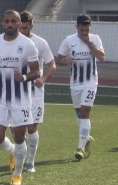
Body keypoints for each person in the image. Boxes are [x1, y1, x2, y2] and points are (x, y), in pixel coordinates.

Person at [0, 10, 40, 185]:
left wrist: (24, 77)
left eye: (13, 21)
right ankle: (13, 152)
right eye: (7, 21)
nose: (10, 24)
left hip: (20, 99)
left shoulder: (28, 45)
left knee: (20, 137)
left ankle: (17, 174)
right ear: (3, 23)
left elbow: (36, 71)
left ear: (19, 24)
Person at [55, 14, 105, 161]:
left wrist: (89, 43)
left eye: (87, 30)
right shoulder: (69, 40)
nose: (84, 33)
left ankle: (80, 148)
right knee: (79, 114)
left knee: (85, 112)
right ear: (76, 27)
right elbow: (57, 59)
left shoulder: (95, 39)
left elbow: (102, 57)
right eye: (82, 30)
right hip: (75, 83)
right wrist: (66, 61)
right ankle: (86, 138)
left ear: (90, 28)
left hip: (91, 82)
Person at [17, 11, 56, 172]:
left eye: (25, 28)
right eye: (20, 28)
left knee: (32, 128)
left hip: (35, 92)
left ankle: (30, 162)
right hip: (17, 92)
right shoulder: (12, 42)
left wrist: (43, 79)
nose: (22, 31)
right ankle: (19, 153)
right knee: (16, 129)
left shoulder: (40, 43)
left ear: (32, 25)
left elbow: (52, 64)